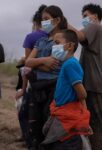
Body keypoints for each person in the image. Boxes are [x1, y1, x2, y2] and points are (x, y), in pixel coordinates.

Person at [25, 5, 67, 149]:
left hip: (53, 88)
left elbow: (55, 65)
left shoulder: (62, 41)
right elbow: (27, 62)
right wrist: (43, 61)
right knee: (35, 124)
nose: (44, 23)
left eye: (47, 19)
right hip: (37, 88)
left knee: (48, 123)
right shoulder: (41, 41)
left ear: (57, 20)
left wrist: (36, 64)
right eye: (42, 20)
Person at [41, 29, 91, 150]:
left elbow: (82, 93)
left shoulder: (70, 64)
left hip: (67, 115)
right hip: (62, 112)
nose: (54, 46)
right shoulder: (67, 63)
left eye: (57, 42)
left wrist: (81, 115)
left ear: (69, 46)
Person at [68, 3, 102, 150]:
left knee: (95, 125)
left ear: (95, 16)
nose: (84, 19)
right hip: (96, 85)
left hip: (94, 86)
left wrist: (63, 22)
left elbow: (77, 35)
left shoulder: (95, 27)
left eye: (86, 16)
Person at [15, 4, 47, 149]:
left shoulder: (31, 37)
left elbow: (27, 67)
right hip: (52, 83)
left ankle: (30, 142)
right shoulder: (57, 36)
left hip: (35, 83)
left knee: (24, 114)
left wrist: (22, 88)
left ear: (35, 23)